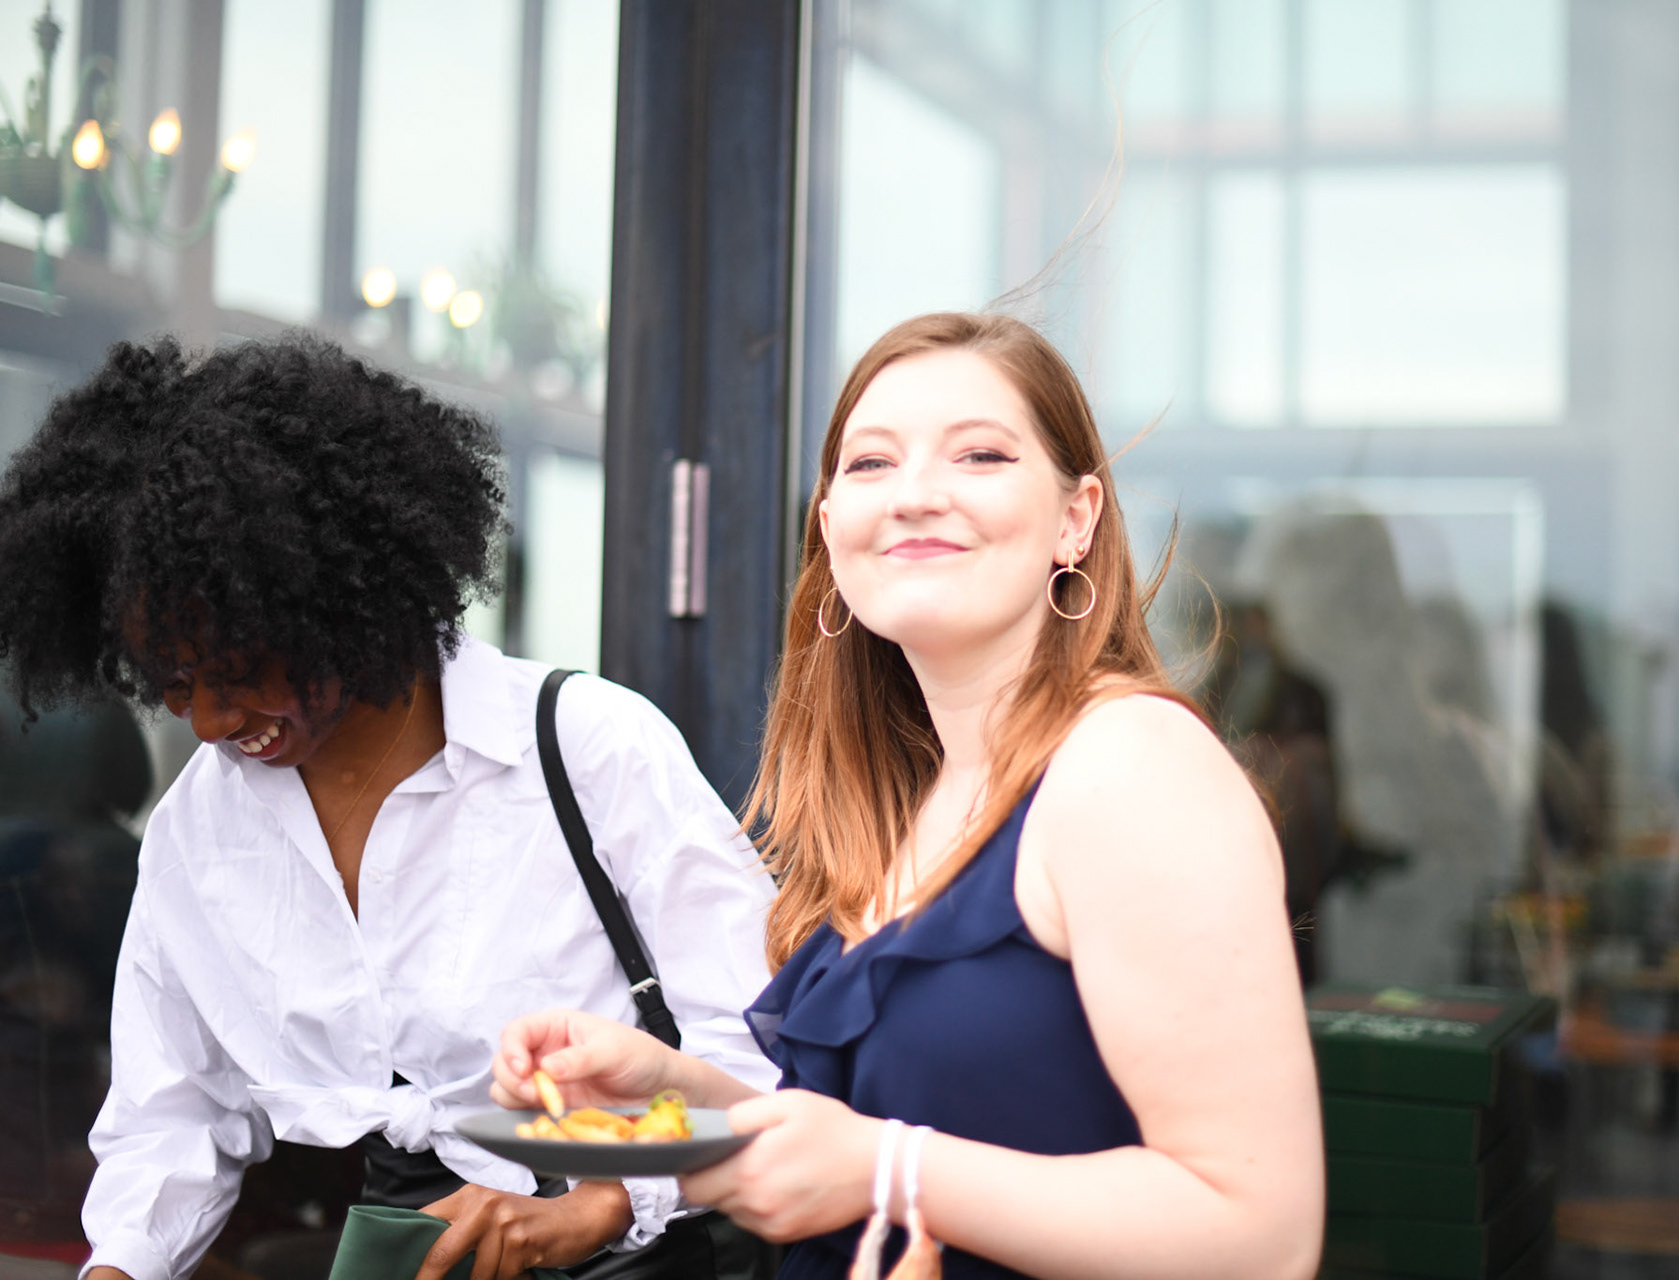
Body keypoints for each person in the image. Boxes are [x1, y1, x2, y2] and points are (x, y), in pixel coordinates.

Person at [492, 313, 1324, 1279]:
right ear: (829, 527)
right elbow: (860, 1153)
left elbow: (1262, 1238)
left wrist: (888, 1170)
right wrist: (665, 1097)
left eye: (980, 455)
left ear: (1077, 518)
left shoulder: (1131, 765)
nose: (916, 495)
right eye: (872, 464)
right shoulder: (921, 798)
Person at [0, 335, 779, 1280]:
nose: (207, 720)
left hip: (645, 1239)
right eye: (172, 683)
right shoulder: (199, 830)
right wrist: (118, 1268)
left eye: (238, 671)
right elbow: (171, 1115)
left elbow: (757, 1053)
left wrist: (600, 1201)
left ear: (337, 602)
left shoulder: (588, 749)